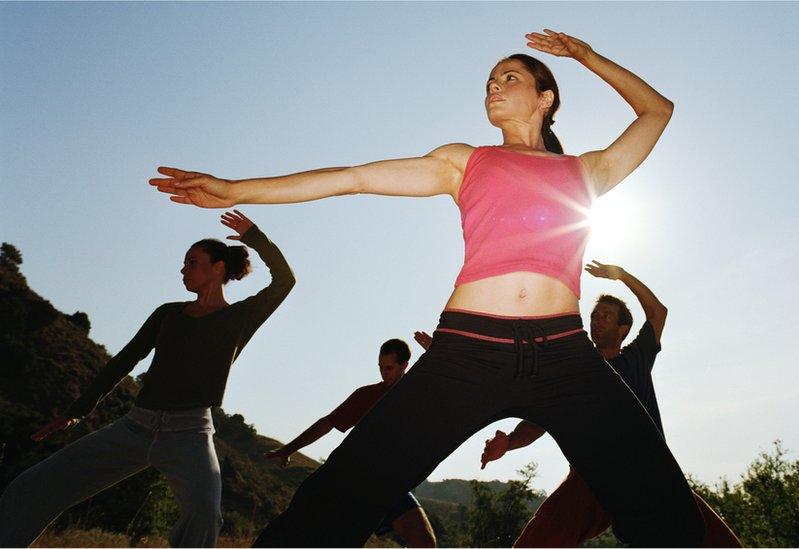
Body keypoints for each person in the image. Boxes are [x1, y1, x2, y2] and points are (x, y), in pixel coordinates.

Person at [150, 29, 704, 547]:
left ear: (546, 98)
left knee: (664, 508)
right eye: (490, 79)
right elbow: (355, 177)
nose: (494, 84)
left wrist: (586, 57)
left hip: (565, 357)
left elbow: (657, 111)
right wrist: (233, 188)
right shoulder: (464, 161)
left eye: (510, 76)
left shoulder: (586, 171)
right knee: (342, 496)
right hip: (467, 352)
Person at [0, 211, 295, 548]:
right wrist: (78, 410)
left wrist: (254, 237)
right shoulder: (167, 314)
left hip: (191, 434)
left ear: (218, 268)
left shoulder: (239, 317)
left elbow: (285, 280)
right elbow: (125, 360)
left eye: (192, 262)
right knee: (31, 485)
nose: (183, 269)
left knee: (205, 513)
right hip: (135, 428)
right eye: (183, 263)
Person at [478, 261, 742, 547]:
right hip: (592, 477)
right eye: (594, 315)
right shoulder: (575, 375)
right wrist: (510, 443)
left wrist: (623, 276)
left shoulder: (635, 360)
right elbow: (538, 422)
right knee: (536, 543)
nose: (597, 320)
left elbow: (658, 313)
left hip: (648, 473)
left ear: (623, 329)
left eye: (606, 315)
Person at [263, 339, 436, 548]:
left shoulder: (419, 391)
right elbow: (327, 423)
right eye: (380, 367)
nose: (383, 373)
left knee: (425, 543)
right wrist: (289, 448)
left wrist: (436, 352)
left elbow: (448, 385)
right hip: (354, 481)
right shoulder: (367, 395)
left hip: (390, 484)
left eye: (389, 368)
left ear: (404, 366)